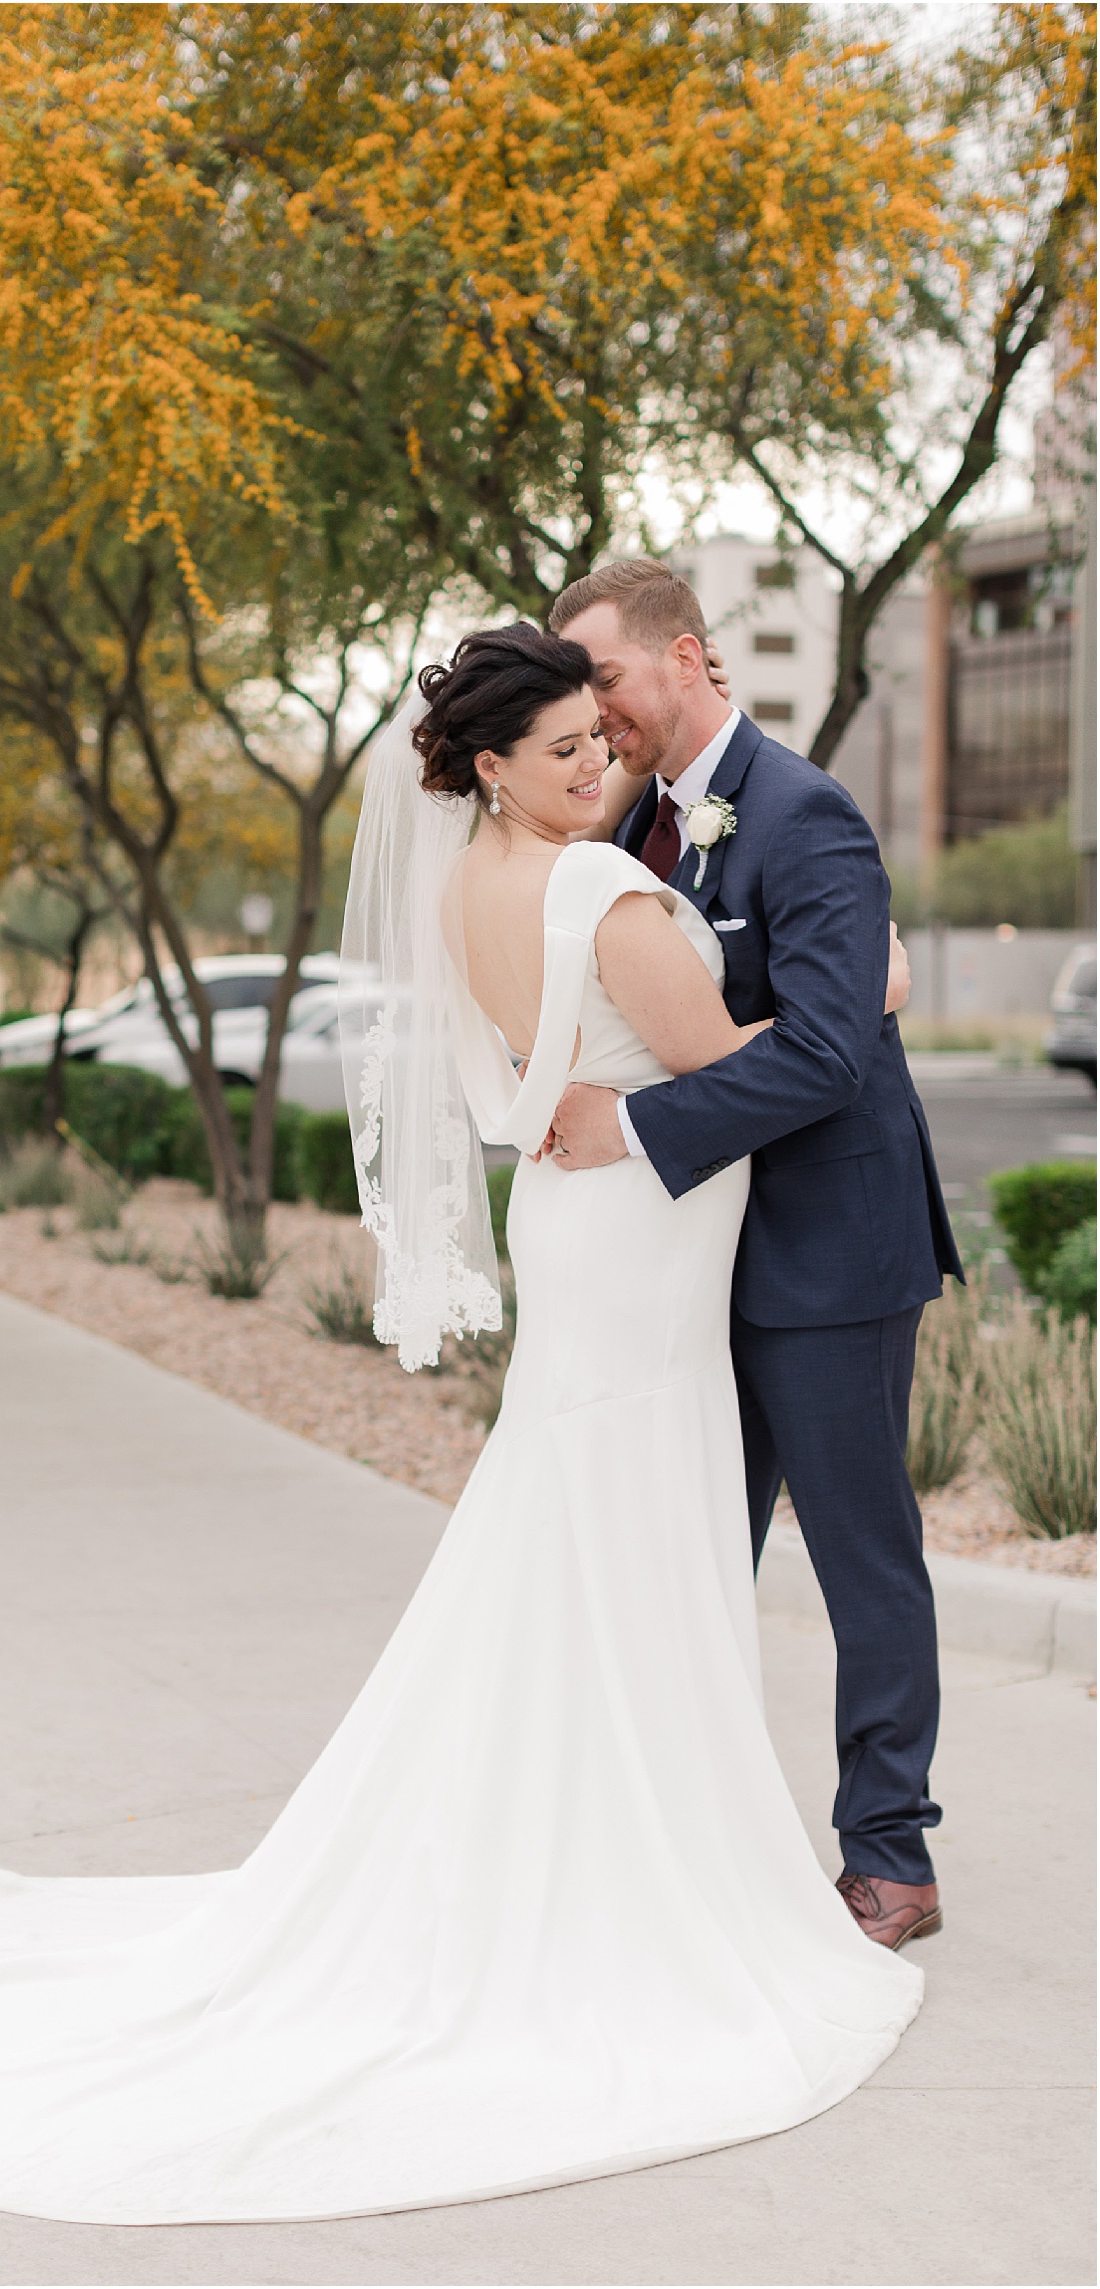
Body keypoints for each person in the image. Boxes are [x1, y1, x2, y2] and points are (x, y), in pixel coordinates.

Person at [0, 623, 925, 2227]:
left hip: (606, 1240)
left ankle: (630, 1829)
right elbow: (769, 1051)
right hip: (636, 1247)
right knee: (634, 1537)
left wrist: (657, 1077)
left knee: (593, 1537)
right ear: (490, 764)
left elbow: (570, 1069)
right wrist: (879, 984)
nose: (597, 760)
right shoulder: (603, 887)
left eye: (597, 737)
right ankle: (639, 1860)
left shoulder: (489, 876)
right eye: (563, 745)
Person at [546, 557, 962, 1950]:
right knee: (688, 1548)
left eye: (603, 677)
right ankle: (680, 1832)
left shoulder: (807, 812)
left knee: (862, 1559)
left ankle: (890, 1856)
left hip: (833, 1252)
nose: (592, 712)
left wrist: (637, 1130)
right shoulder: (635, 823)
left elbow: (840, 1052)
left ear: (685, 658)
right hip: (691, 1270)